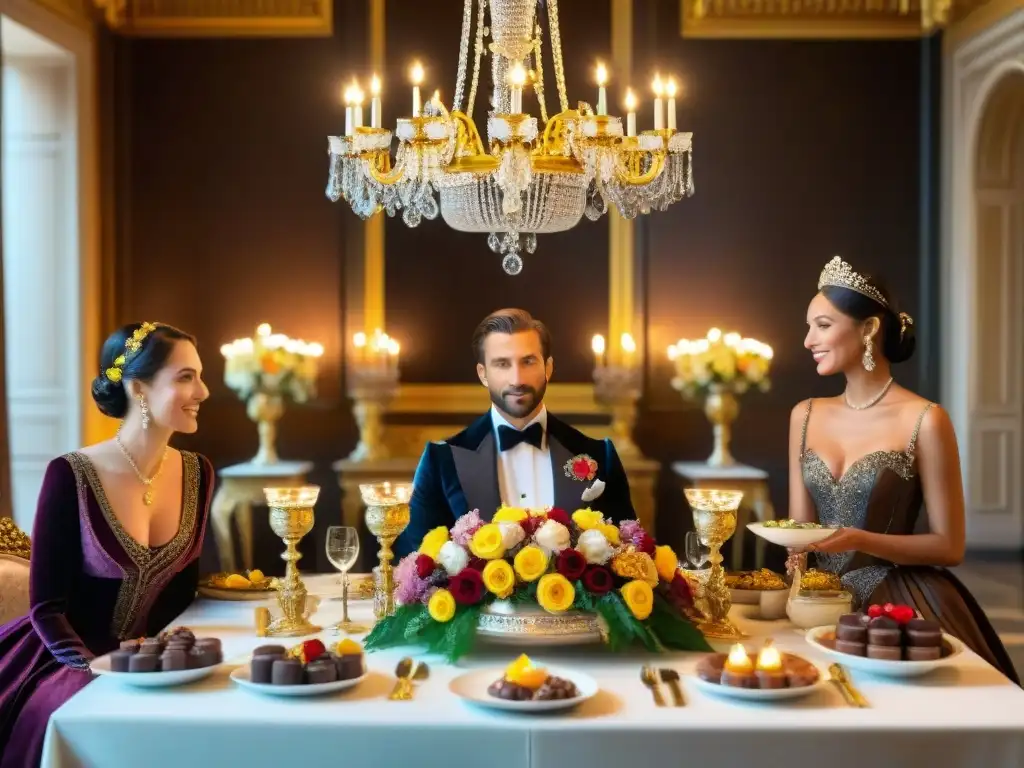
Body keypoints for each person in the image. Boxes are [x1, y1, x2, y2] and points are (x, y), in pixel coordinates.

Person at [788, 256, 1018, 683]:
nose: (807, 341)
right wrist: (796, 581)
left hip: (898, 601)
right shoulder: (804, 415)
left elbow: (950, 546)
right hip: (814, 602)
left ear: (869, 328)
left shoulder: (925, 419)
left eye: (821, 325)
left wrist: (858, 540)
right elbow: (798, 531)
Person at [0, 322, 215, 766]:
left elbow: (182, 598)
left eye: (200, 375)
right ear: (138, 387)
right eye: (185, 377)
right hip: (62, 661)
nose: (203, 391)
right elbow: (47, 608)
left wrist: (168, 662)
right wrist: (95, 670)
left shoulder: (198, 472)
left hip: (149, 666)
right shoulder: (71, 474)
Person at [395, 308, 636, 557]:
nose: (517, 378)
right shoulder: (441, 461)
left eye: (528, 361)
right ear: (483, 374)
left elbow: (628, 557)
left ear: (548, 368)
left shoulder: (600, 456)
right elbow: (416, 564)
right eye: (502, 364)